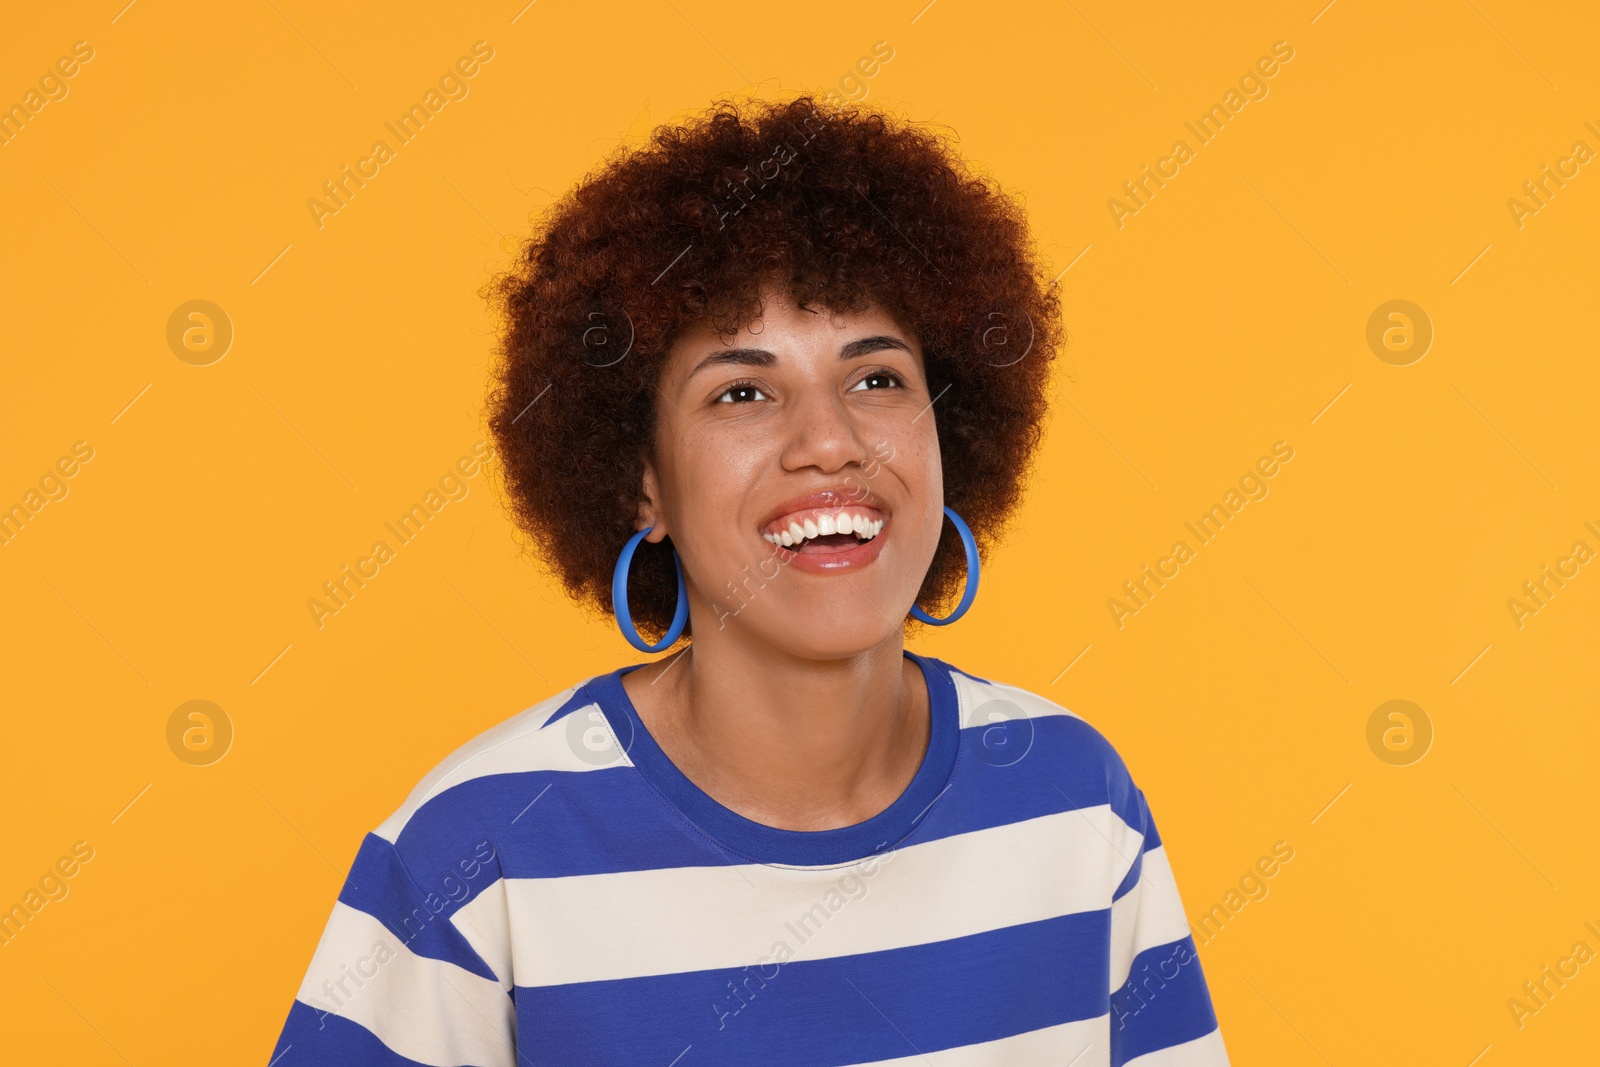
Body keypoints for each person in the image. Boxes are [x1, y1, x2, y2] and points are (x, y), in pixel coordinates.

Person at [267, 93, 1229, 1066]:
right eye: (741, 391)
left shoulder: (1072, 797)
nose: (829, 441)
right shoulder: (473, 854)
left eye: (876, 378)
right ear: (641, 482)